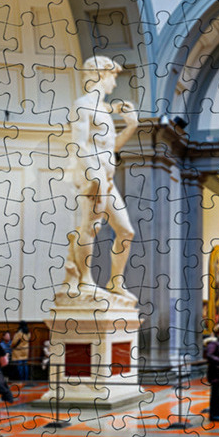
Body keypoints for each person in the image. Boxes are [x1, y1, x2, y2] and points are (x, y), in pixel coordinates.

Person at [62, 54, 138, 299]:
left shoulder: (104, 111)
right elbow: (79, 145)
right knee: (91, 226)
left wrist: (131, 126)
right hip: (93, 176)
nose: (114, 83)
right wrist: (93, 175)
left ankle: (116, 282)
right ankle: (85, 280)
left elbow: (112, 148)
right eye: (112, 77)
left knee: (126, 232)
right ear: (100, 75)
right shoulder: (82, 105)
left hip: (108, 179)